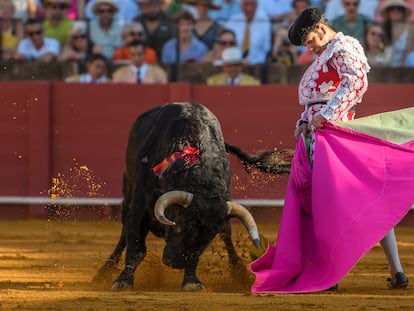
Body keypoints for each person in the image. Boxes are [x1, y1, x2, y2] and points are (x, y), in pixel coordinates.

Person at [250, 7, 409, 293]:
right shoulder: (326, 53)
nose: (308, 47)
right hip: (320, 132)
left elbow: (357, 81)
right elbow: (316, 100)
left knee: (330, 201)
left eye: (309, 40)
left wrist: (329, 115)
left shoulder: (344, 47)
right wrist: (304, 121)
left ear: (321, 29)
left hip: (333, 136)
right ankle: (395, 270)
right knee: (368, 199)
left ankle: (334, 274)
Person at [225, 0, 272, 65]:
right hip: (234, 64)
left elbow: (266, 48)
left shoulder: (264, 22)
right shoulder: (233, 21)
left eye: (252, 4)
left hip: (257, 65)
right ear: (241, 6)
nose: (249, 8)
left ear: (257, 6)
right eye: (246, 4)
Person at [379, 0, 414, 66]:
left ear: (403, 12)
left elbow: (408, 51)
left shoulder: (410, 27)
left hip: (405, 65)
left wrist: (402, 68)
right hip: (385, 65)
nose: (396, 11)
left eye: (399, 9)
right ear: (388, 12)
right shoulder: (382, 27)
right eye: (392, 9)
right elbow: (380, 48)